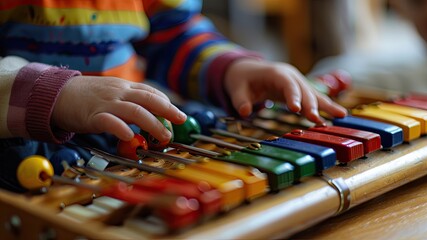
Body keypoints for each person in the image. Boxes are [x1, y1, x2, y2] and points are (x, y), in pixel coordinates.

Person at [0, 0, 347, 191]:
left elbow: (174, 34)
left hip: (127, 132)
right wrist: (55, 96)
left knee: (197, 121)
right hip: (29, 137)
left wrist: (229, 68)